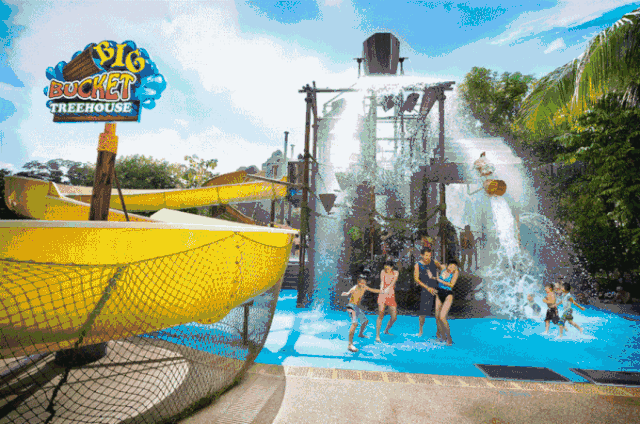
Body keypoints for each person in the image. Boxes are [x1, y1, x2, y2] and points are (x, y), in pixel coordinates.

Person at [341, 275, 381, 352]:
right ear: (358, 282)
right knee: (354, 324)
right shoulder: (355, 287)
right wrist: (346, 293)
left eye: (364, 282)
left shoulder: (365, 287)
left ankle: (360, 334)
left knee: (365, 321)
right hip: (351, 306)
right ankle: (350, 345)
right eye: (361, 282)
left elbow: (373, 290)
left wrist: (382, 291)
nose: (362, 283)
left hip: (356, 307)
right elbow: (349, 292)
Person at [414, 248, 444, 338]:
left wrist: (440, 276)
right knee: (422, 312)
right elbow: (416, 279)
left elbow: (442, 269)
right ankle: (420, 330)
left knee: (438, 311)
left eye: (429, 255)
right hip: (425, 289)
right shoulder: (418, 265)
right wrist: (428, 288)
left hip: (436, 289)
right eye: (426, 255)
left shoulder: (434, 262)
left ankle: (438, 332)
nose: (428, 257)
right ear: (422, 255)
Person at [432, 259, 460, 345]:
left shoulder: (455, 272)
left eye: (454, 267)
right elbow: (436, 263)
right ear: (447, 265)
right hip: (439, 293)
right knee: (437, 317)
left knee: (442, 317)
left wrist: (439, 280)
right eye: (450, 266)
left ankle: (449, 338)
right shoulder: (443, 268)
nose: (452, 268)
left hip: (448, 295)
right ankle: (442, 336)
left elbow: (451, 285)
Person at [376, 260, 399, 342]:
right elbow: (382, 282)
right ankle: (377, 336)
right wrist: (382, 289)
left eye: (388, 267)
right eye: (385, 267)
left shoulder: (396, 273)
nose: (386, 268)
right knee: (381, 314)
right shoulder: (383, 272)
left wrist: (387, 288)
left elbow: (393, 283)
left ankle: (386, 330)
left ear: (392, 267)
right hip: (382, 294)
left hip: (391, 295)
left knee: (394, 317)